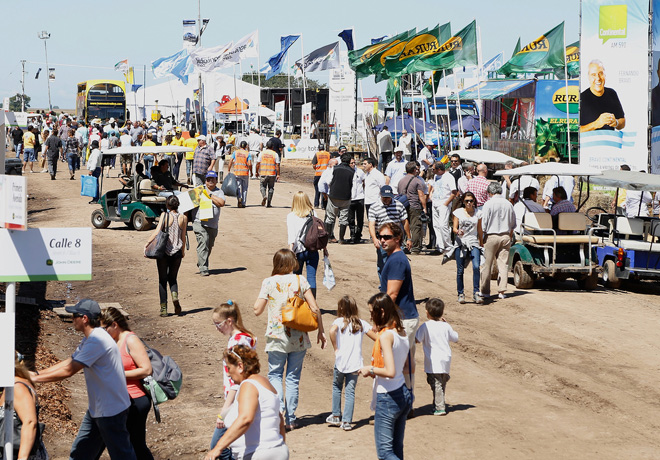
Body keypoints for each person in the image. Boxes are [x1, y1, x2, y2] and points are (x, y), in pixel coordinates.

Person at [31, 299, 137, 460]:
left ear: (85, 318)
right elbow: (69, 361)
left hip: (111, 411)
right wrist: (36, 374)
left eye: (75, 315)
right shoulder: (90, 338)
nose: (72, 319)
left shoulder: (97, 341)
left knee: (122, 456)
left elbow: (69, 370)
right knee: (80, 454)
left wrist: (35, 379)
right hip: (98, 409)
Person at [253, 249, 327, 431]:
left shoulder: (268, 282)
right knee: (293, 379)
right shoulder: (300, 280)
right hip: (299, 337)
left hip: (277, 336)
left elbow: (257, 310)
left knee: (275, 375)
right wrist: (321, 331)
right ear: (292, 263)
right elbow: (315, 307)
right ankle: (291, 419)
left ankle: (278, 415)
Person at [203, 345, 289, 460]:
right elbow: (280, 420)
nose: (228, 374)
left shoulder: (248, 385)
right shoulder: (265, 383)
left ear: (240, 366)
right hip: (276, 451)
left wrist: (218, 448)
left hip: (258, 453)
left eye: (228, 368)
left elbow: (245, 419)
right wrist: (278, 447)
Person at [358, 292, 411, 460]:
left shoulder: (386, 336)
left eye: (371, 312)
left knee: (385, 453)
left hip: (388, 396)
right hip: (403, 392)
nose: (370, 316)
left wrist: (371, 369)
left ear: (381, 312)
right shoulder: (401, 333)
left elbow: (390, 371)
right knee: (396, 449)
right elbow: (408, 366)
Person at [99, 307, 155, 460]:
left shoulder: (130, 339)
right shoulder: (113, 340)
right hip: (121, 399)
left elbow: (146, 369)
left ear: (115, 324)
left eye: (105, 328)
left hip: (136, 399)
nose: (103, 332)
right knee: (126, 443)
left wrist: (118, 375)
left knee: (135, 443)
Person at [209, 302, 257, 460]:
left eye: (218, 324)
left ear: (229, 321)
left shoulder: (238, 343)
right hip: (239, 398)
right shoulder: (239, 338)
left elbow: (237, 381)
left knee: (217, 446)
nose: (217, 328)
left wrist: (223, 412)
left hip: (237, 400)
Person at [378, 221, 418, 393]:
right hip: (403, 317)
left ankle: (405, 400)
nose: (382, 240)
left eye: (387, 237)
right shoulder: (394, 258)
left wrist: (381, 319)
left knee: (401, 362)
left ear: (398, 238)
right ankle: (406, 400)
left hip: (403, 319)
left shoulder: (397, 261)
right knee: (404, 361)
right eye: (380, 237)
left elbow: (392, 294)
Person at [326, 295, 376, 431]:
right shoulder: (361, 323)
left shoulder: (338, 321)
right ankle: (347, 422)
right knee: (350, 392)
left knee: (337, 387)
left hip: (341, 362)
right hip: (356, 363)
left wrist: (336, 348)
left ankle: (336, 415)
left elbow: (331, 331)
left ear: (340, 308)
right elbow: (376, 337)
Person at [414, 298, 459, 416]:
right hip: (446, 359)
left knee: (436, 383)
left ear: (427, 312)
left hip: (433, 361)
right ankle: (437, 405)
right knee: (441, 383)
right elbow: (455, 338)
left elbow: (417, 340)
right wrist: (447, 324)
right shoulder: (445, 326)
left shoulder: (425, 326)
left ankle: (440, 407)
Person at [144, 195, 187, 317]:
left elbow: (157, 232)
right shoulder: (183, 218)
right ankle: (175, 296)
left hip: (164, 252)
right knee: (173, 278)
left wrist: (147, 244)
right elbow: (183, 238)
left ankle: (163, 309)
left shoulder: (165, 216)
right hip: (177, 252)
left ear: (167, 205)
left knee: (162, 280)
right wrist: (182, 251)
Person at [0, 353, 49, 460]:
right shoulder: (9, 387)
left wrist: (22, 457)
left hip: (17, 454)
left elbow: (30, 422)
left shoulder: (17, 388)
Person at [287, 191, 328, 299]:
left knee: (297, 277)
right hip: (312, 249)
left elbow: (292, 236)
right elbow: (319, 232)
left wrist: (291, 250)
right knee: (311, 277)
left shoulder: (291, 216)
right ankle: (312, 303)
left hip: (298, 251)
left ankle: (297, 301)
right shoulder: (313, 213)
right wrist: (324, 248)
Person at [480, 182, 516, 301]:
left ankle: (485, 291)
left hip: (491, 236)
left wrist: (482, 237)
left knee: (486, 265)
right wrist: (509, 236)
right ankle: (502, 291)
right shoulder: (508, 204)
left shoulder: (488, 204)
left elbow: (484, 223)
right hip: (505, 236)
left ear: (490, 192)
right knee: (503, 264)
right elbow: (513, 224)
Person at [368, 185, 412, 281]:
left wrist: (409, 238)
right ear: (380, 195)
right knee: (383, 264)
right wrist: (375, 239)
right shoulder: (374, 207)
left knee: (398, 263)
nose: (387, 199)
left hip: (396, 239)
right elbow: (371, 225)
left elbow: (405, 222)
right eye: (384, 197)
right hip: (383, 239)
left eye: (388, 197)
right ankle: (384, 287)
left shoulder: (399, 205)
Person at [452, 191, 484, 304]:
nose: (469, 203)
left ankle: (476, 292)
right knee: (460, 270)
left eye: (471, 200)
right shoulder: (458, 212)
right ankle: (461, 293)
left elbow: (480, 229)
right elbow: (454, 228)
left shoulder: (478, 213)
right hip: (461, 243)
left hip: (473, 242)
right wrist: (458, 231)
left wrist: (481, 242)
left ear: (474, 201)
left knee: (476, 267)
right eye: (467, 201)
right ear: (463, 202)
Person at [193, 171, 226, 276]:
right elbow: (189, 203)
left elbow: (221, 203)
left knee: (209, 245)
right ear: (205, 180)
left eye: (212, 179)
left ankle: (201, 261)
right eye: (208, 179)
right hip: (199, 222)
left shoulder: (219, 192)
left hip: (212, 224)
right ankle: (203, 268)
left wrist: (209, 195)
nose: (210, 181)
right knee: (203, 241)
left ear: (216, 180)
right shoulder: (199, 190)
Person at [580, 60, 625, 133]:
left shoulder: (612, 94)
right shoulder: (581, 99)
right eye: (593, 75)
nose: (598, 78)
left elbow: (622, 123)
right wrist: (596, 124)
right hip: (589, 143)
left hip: (609, 142)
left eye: (600, 73)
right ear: (588, 77)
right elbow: (575, 131)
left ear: (605, 75)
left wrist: (616, 122)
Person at [397, 161, 427, 254]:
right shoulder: (417, 181)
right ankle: (415, 248)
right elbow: (421, 195)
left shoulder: (401, 180)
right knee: (416, 226)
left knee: (405, 226)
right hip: (414, 205)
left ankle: (406, 245)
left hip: (403, 205)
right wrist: (424, 208)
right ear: (414, 170)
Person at [325, 153, 354, 244]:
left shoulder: (334, 168)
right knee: (344, 218)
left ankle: (329, 237)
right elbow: (353, 185)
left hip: (334, 196)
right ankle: (341, 239)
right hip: (346, 197)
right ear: (349, 161)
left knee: (330, 217)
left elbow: (328, 181)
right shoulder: (352, 171)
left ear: (341, 159)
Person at [432, 162, 458, 257]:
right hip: (435, 202)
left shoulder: (449, 177)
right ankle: (440, 246)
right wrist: (431, 194)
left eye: (433, 169)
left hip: (444, 203)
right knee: (436, 225)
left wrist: (446, 203)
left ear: (439, 169)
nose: (432, 171)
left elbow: (454, 192)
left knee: (443, 225)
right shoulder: (436, 177)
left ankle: (448, 246)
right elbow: (435, 187)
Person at [227, 141, 252, 208]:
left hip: (237, 173)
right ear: (246, 146)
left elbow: (230, 161)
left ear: (240, 146)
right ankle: (243, 203)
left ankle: (239, 198)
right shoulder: (247, 153)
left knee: (238, 187)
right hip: (245, 173)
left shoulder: (235, 152)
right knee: (245, 188)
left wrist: (229, 169)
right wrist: (251, 172)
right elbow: (249, 164)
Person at [256, 140, 281, 207]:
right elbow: (277, 165)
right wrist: (278, 174)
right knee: (271, 188)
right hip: (272, 174)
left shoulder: (262, 153)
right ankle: (269, 203)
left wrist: (256, 172)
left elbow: (258, 163)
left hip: (263, 173)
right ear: (272, 147)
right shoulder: (275, 154)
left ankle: (264, 196)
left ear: (266, 146)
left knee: (262, 186)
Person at [348, 156, 366, 244]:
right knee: (350, 219)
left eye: (354, 162)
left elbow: (364, 181)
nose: (353, 164)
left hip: (360, 198)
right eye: (351, 163)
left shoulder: (360, 171)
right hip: (350, 199)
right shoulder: (346, 172)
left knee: (360, 218)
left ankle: (358, 235)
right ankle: (352, 235)